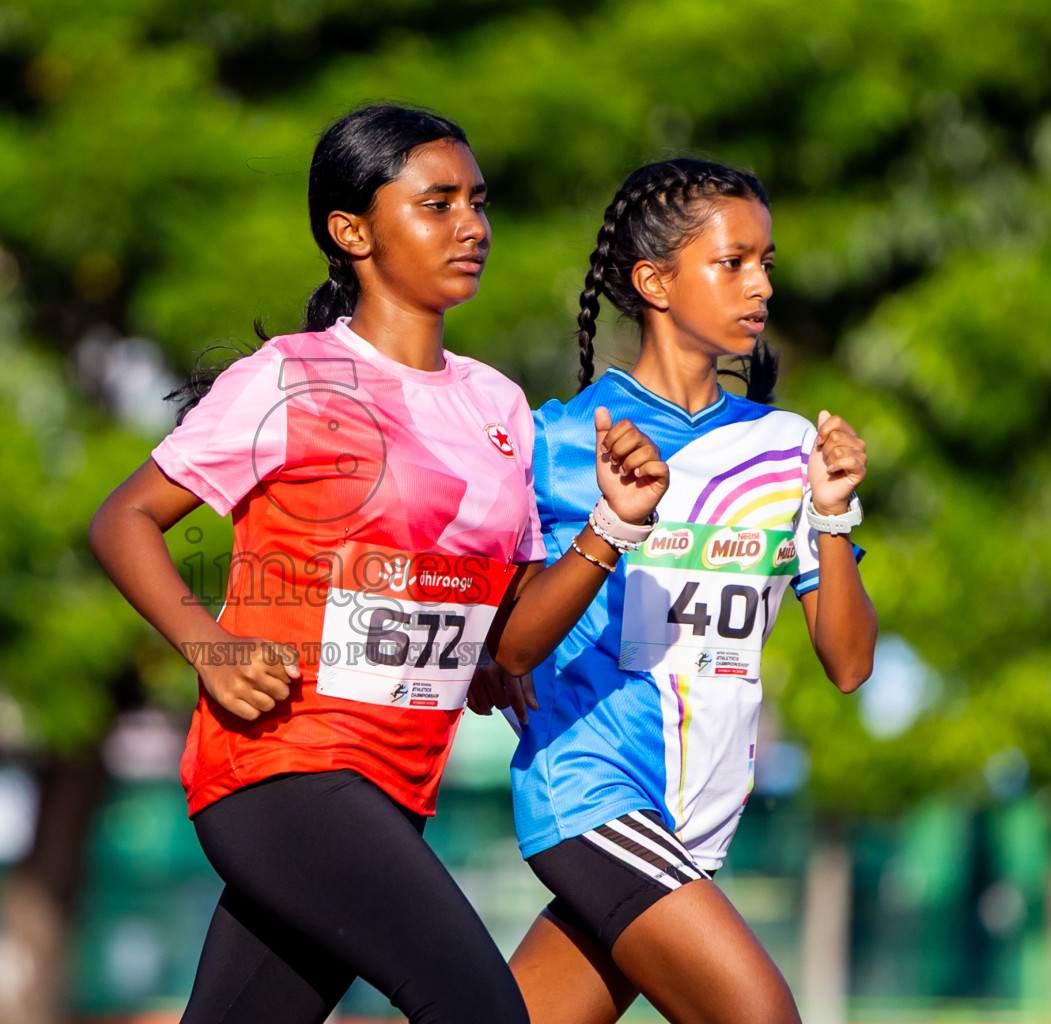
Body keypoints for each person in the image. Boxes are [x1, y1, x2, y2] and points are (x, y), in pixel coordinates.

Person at [88, 103, 669, 1024]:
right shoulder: (290, 377)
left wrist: (613, 526)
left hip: (399, 783)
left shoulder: (500, 405)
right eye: (437, 204)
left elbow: (511, 643)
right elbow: (123, 520)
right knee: (481, 1011)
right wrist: (210, 647)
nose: (472, 226)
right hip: (283, 767)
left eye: (477, 202)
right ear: (352, 231)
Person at [476, 159, 878, 1024]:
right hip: (590, 789)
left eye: (766, 261)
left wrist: (833, 515)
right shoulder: (557, 441)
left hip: (700, 815)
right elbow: (506, 648)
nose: (760, 284)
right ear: (653, 281)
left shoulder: (787, 446)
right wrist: (608, 533)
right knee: (760, 1015)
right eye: (732, 262)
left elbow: (848, 663)